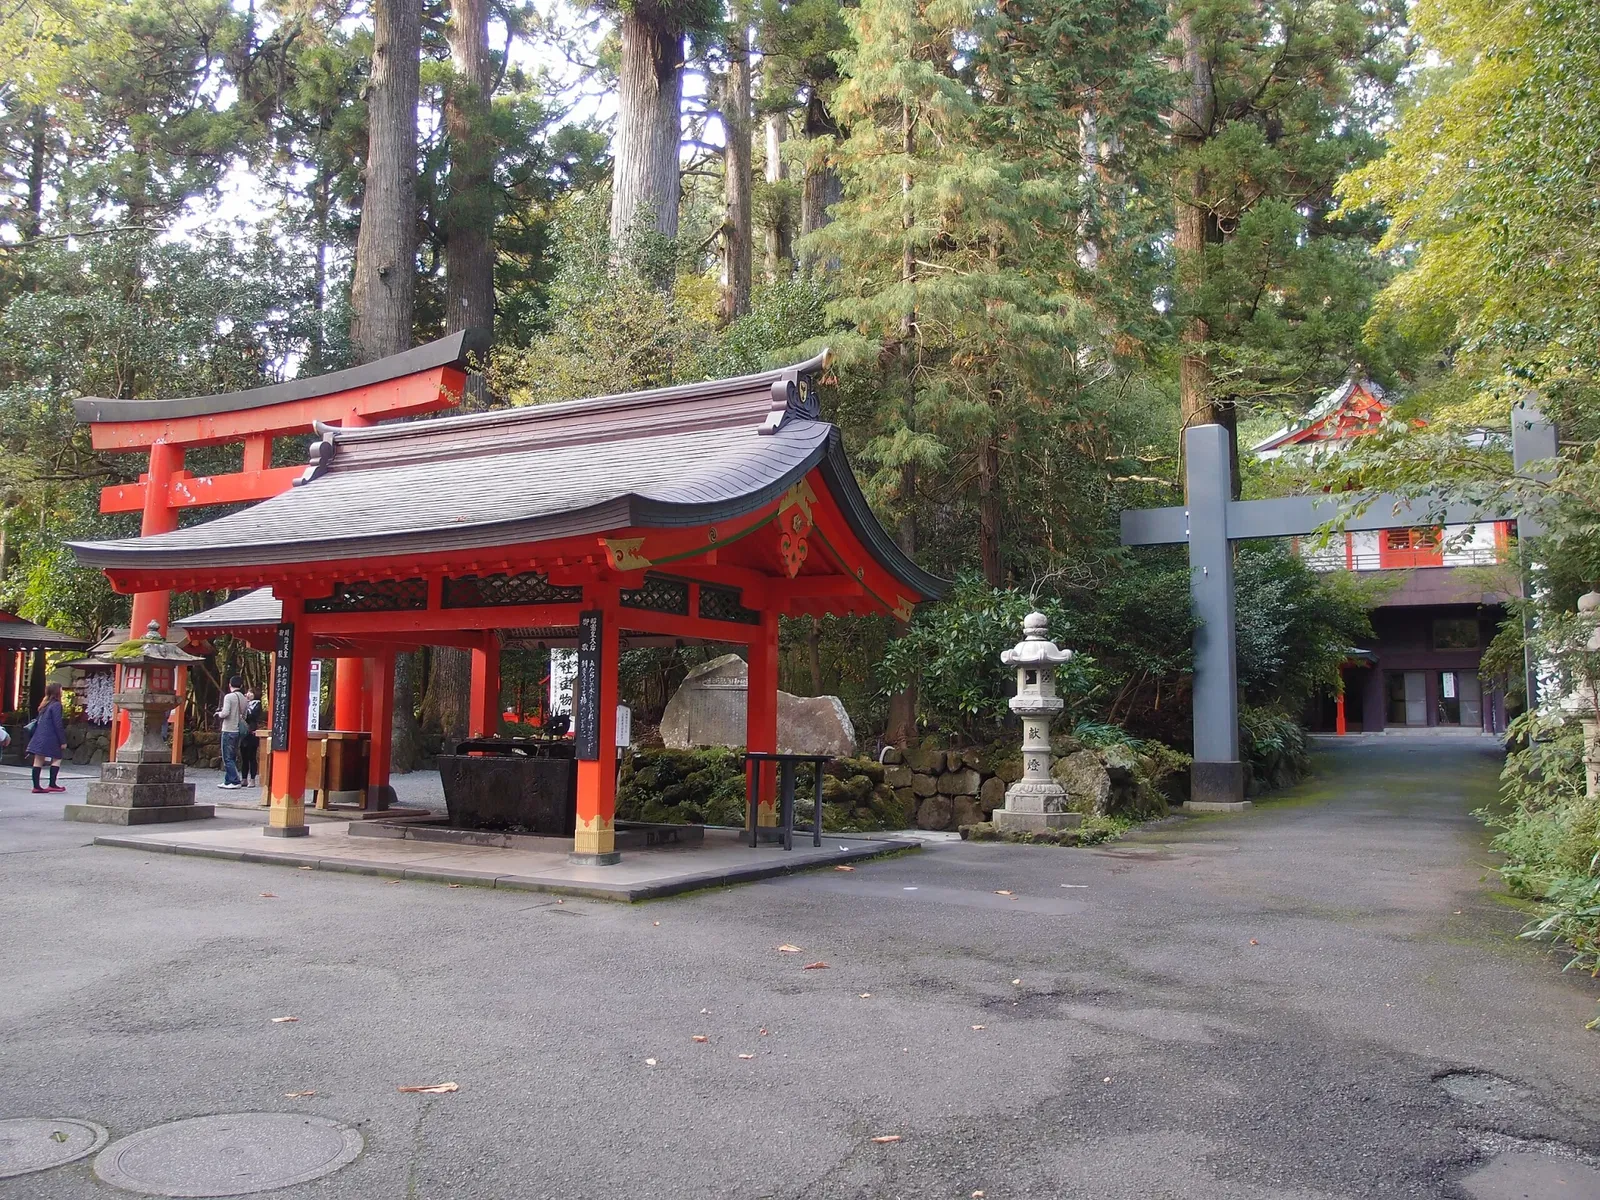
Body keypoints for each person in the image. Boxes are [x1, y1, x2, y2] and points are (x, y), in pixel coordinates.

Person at [27, 682, 67, 794]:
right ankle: (52, 784)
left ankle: (36, 786)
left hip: (39, 735)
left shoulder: (45, 704)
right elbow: (57, 724)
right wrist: (62, 741)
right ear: (57, 691)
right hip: (50, 736)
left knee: (38, 759)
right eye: (61, 689)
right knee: (57, 757)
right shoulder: (56, 705)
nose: (62, 691)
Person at [216, 676, 246, 789]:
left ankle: (234, 780)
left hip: (228, 729)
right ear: (241, 685)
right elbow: (245, 714)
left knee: (227, 757)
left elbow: (225, 713)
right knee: (232, 755)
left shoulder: (229, 697)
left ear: (230, 685)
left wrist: (219, 714)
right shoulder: (243, 698)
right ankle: (228, 780)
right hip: (238, 730)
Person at [239, 688, 263, 788]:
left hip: (252, 733)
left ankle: (252, 779)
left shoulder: (257, 705)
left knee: (251, 757)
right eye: (248, 692)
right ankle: (244, 778)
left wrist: (247, 709)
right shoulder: (245, 704)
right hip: (243, 733)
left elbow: (253, 716)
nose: (248, 694)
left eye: (251, 692)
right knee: (243, 757)